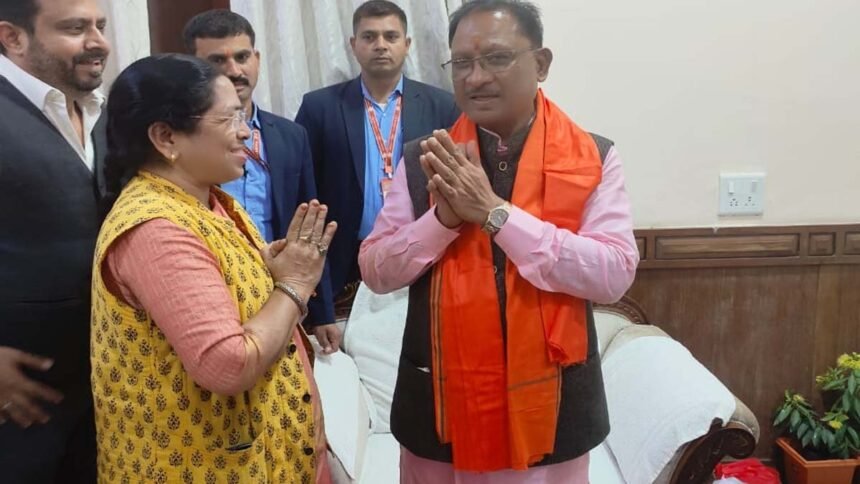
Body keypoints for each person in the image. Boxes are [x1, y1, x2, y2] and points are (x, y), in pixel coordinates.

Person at [359, 1, 640, 482]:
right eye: (462, 63)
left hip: (556, 410)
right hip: (440, 410)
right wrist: (442, 220)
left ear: (541, 63)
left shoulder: (593, 157)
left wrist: (496, 215)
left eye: (496, 58)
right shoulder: (425, 158)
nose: (476, 78)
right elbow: (376, 271)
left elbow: (612, 274)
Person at [92, 53, 335, 483]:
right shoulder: (156, 229)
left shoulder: (211, 200)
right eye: (228, 120)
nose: (245, 132)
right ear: (166, 137)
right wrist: (295, 284)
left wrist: (270, 274)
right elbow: (228, 364)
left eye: (242, 116)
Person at [295, 0, 459, 350]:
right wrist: (319, 306)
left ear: (407, 44)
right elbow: (304, 198)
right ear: (353, 45)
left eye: (390, 36)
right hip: (344, 266)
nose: (380, 45)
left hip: (420, 257)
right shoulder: (320, 108)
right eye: (369, 37)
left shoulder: (443, 106)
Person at [183, 10, 338, 353]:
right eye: (217, 60)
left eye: (242, 57)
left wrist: (323, 310)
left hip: (280, 289)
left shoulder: (291, 135)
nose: (234, 70)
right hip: (209, 291)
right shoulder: (182, 140)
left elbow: (310, 229)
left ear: (257, 59)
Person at [0, 0, 110, 481]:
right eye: (75, 28)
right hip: (17, 409)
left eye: (100, 25)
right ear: (13, 37)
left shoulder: (104, 111)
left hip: (103, 395)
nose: (98, 42)